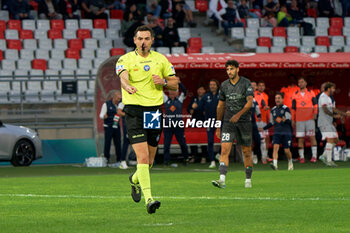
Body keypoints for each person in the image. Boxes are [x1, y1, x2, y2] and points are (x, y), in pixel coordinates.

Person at [116, 25, 179, 214]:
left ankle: (135, 179)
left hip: (153, 111)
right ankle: (149, 199)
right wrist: (127, 87)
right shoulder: (125, 59)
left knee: (150, 161)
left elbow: (175, 84)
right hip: (134, 110)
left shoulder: (161, 59)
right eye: (140, 38)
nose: (143, 42)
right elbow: (123, 77)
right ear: (134, 40)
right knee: (142, 156)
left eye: (147, 38)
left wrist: (165, 82)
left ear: (152, 40)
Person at [212, 59, 254, 189]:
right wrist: (218, 125)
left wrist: (238, 114)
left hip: (244, 122)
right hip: (228, 122)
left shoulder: (246, 83)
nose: (229, 72)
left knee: (246, 151)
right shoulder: (224, 85)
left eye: (231, 69)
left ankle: (248, 180)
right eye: (227, 69)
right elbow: (220, 106)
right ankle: (222, 179)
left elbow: (249, 102)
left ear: (237, 69)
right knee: (224, 149)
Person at [318, 82, 350, 167]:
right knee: (330, 140)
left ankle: (323, 156)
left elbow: (333, 109)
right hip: (324, 122)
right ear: (328, 89)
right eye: (333, 88)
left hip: (329, 122)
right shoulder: (323, 97)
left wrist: (344, 114)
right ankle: (329, 160)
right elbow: (325, 109)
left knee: (335, 140)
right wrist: (334, 115)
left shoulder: (328, 98)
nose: (334, 90)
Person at [260, 92, 294, 171]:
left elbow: (289, 121)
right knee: (275, 148)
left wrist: (282, 120)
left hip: (286, 132)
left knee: (287, 151)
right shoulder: (273, 110)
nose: (277, 100)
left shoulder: (286, 108)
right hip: (277, 132)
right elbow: (272, 122)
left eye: (279, 98)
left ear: (282, 99)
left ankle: (290, 162)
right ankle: (275, 165)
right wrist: (264, 128)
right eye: (276, 98)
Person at [192, 79, 220, 168]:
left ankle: (219, 155)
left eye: (213, 84)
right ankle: (212, 161)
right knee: (210, 141)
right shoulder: (206, 96)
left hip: (220, 121)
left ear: (217, 86)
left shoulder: (221, 95)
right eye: (210, 84)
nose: (212, 86)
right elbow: (199, 107)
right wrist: (195, 106)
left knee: (225, 140)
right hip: (209, 121)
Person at [291, 77, 318, 163]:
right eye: (299, 82)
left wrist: (315, 113)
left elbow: (316, 105)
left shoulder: (311, 93)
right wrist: (292, 119)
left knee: (312, 137)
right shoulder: (295, 94)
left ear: (306, 83)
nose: (300, 84)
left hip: (309, 118)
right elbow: (293, 108)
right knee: (300, 138)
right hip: (299, 119)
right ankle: (302, 157)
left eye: (302, 82)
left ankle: (314, 156)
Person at [163, 79, 190, 165]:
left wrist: (179, 82)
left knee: (182, 143)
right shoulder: (166, 99)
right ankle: (166, 161)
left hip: (178, 125)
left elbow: (185, 91)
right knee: (166, 144)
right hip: (168, 125)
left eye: (174, 91)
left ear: (177, 93)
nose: (172, 93)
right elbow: (159, 91)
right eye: (171, 91)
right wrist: (164, 82)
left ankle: (186, 159)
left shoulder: (180, 99)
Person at [99, 90, 122, 166]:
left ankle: (119, 160)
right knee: (107, 143)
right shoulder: (106, 104)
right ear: (113, 97)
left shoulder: (120, 105)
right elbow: (101, 115)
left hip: (116, 126)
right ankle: (106, 160)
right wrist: (104, 116)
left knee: (118, 143)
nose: (119, 100)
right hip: (108, 127)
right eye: (118, 98)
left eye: (120, 98)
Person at [187, 85, 207, 163]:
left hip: (203, 121)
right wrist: (192, 108)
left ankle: (204, 157)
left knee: (204, 139)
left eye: (201, 89)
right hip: (194, 121)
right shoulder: (194, 99)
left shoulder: (206, 98)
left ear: (204, 91)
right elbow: (189, 109)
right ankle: (193, 156)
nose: (200, 91)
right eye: (199, 89)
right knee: (193, 139)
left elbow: (207, 109)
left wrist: (202, 109)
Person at [255, 80, 270, 164]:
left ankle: (264, 156)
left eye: (262, 85)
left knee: (265, 138)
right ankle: (259, 156)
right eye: (259, 85)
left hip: (264, 120)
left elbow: (266, 108)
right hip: (257, 120)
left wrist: (269, 119)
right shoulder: (256, 94)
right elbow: (261, 105)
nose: (261, 87)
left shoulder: (266, 95)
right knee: (260, 139)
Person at [117, 101, 130, 169]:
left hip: (135, 124)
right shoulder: (123, 102)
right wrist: (128, 115)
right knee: (126, 141)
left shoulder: (135, 100)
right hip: (127, 124)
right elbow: (119, 112)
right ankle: (123, 161)